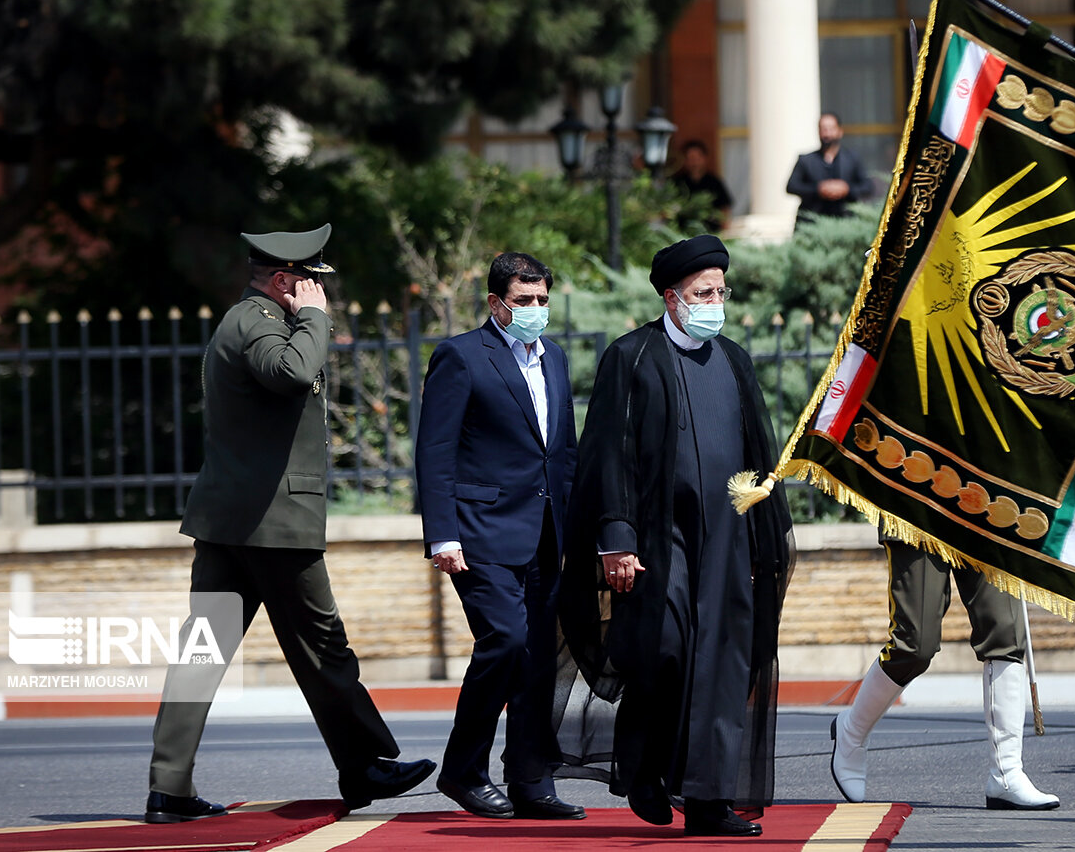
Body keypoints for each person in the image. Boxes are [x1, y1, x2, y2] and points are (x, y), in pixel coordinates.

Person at [145, 224, 435, 824]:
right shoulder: (257, 323)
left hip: (234, 519)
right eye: (311, 282)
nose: (319, 292)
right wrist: (315, 320)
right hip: (271, 522)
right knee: (324, 647)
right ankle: (366, 766)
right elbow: (293, 374)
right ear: (285, 281)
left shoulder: (248, 321)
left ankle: (168, 788)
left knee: (203, 651)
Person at [558, 234, 794, 838]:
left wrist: (763, 520)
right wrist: (616, 537)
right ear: (672, 298)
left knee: (721, 660)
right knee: (664, 649)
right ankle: (644, 766)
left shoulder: (735, 360)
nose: (715, 301)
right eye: (702, 293)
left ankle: (709, 800)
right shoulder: (632, 356)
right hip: (660, 536)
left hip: (726, 539)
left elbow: (758, 449)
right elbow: (610, 453)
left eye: (721, 290)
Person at [415, 252, 583, 821]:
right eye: (523, 301)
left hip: (546, 534)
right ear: (496, 303)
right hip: (480, 533)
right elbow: (434, 452)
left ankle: (530, 780)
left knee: (538, 657)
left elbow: (562, 453)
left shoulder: (554, 358)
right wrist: (442, 535)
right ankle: (463, 771)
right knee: (506, 642)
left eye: (542, 300)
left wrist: (579, 529)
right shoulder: (461, 357)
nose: (535, 310)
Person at [830, 536, 1060, 810]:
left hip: (985, 503)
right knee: (915, 645)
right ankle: (852, 730)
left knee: (1006, 631)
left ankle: (1006, 774)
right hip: (920, 507)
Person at [785, 112, 873, 226]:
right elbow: (792, 186)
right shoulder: (805, 160)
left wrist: (846, 189)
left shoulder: (852, 159)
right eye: (823, 129)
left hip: (846, 222)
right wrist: (818, 189)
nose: (827, 134)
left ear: (840, 131)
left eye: (831, 129)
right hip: (812, 223)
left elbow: (867, 186)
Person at [670, 139, 733, 233]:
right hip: (684, 235)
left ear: (704, 158)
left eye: (697, 158)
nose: (694, 162)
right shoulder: (678, 183)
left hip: (711, 234)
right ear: (685, 160)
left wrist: (725, 230)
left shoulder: (714, 182)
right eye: (690, 158)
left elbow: (725, 209)